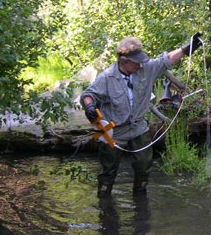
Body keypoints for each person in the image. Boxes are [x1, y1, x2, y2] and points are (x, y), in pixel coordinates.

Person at [80, 33, 202, 196]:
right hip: (113, 131)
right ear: (125, 61)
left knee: (144, 163)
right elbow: (88, 95)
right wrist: (89, 107)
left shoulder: (147, 69)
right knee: (108, 169)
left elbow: (167, 59)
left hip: (138, 127)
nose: (140, 64)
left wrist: (188, 48)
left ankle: (140, 199)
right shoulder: (107, 77)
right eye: (136, 62)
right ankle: (104, 203)